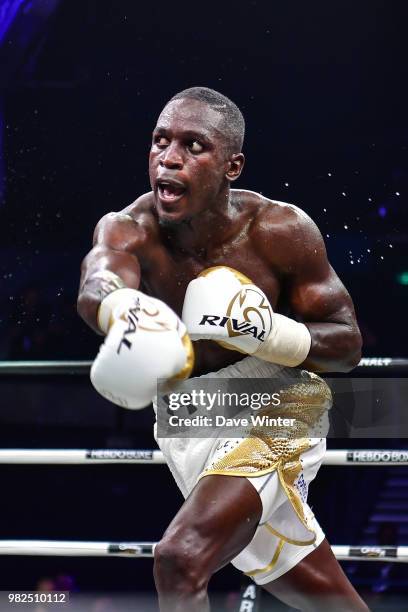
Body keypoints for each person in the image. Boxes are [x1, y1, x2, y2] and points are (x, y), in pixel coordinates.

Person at [77, 87, 367, 611]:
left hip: (278, 404)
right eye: (160, 141)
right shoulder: (127, 229)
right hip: (187, 418)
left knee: (180, 558)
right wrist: (121, 311)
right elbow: (98, 280)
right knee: (325, 595)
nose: (168, 158)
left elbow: (346, 345)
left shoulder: (279, 229)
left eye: (193, 146)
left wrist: (263, 332)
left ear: (232, 166)